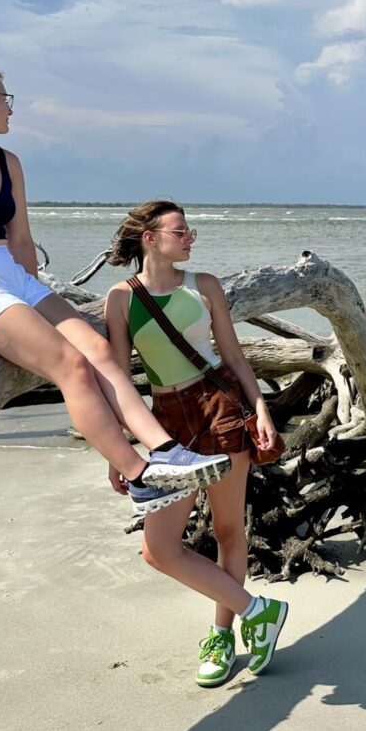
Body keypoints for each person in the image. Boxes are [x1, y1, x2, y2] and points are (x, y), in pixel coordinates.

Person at [0, 60, 231, 507]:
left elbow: (22, 240)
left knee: (99, 350)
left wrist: (33, 297)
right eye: (4, 98)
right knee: (71, 364)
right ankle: (140, 476)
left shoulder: (8, 162)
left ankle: (166, 450)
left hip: (12, 276)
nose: (10, 109)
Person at [104, 200, 289, 687]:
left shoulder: (204, 286)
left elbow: (232, 352)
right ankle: (258, 611)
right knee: (158, 548)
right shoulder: (121, 298)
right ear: (151, 238)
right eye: (181, 230)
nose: (191, 237)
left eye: (189, 231)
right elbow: (120, 377)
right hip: (166, 425)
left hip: (219, 408)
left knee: (228, 529)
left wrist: (262, 407)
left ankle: (223, 635)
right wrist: (117, 448)